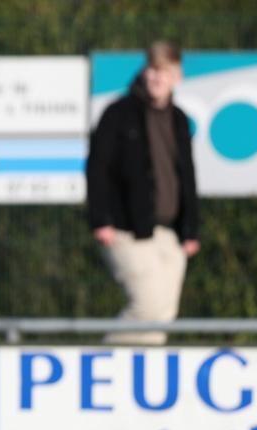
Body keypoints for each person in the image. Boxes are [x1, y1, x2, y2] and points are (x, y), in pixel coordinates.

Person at [86, 41, 201, 345]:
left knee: (164, 315)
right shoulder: (118, 113)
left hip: (171, 233)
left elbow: (186, 177)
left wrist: (191, 229)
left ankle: (138, 379)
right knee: (147, 305)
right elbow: (97, 168)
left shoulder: (178, 119)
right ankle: (99, 362)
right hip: (128, 229)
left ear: (178, 76)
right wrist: (100, 218)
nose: (157, 77)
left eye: (165, 71)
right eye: (153, 69)